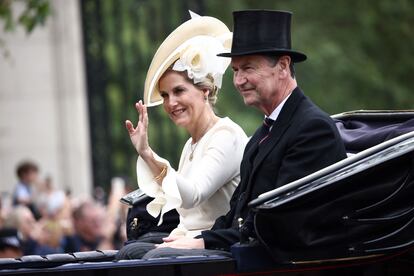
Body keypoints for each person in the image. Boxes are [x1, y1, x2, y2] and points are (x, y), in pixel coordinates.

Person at [122, 10, 347, 259]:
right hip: (249, 250)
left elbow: (279, 224)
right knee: (129, 254)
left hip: (281, 260)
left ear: (283, 66)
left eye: (248, 68)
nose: (239, 81)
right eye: (236, 70)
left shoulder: (312, 129)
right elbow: (234, 217)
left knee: (149, 258)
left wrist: (201, 242)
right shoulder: (263, 134)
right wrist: (199, 239)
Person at [116, 12, 247, 259]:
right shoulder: (191, 144)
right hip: (190, 243)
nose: (171, 102)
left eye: (178, 91)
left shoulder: (226, 135)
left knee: (143, 257)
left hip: (216, 246)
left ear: (205, 91)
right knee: (130, 251)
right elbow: (188, 215)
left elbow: (192, 195)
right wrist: (177, 233)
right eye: (165, 95)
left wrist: (147, 153)